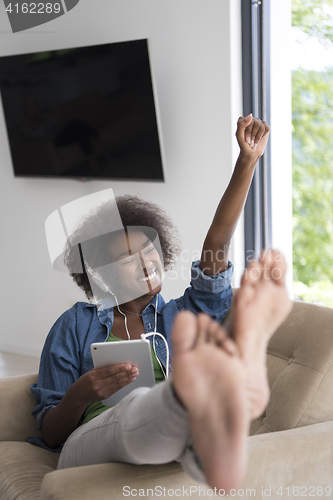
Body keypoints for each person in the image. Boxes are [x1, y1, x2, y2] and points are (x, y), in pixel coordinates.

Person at [29, 115, 289, 492]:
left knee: (174, 423)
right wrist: (82, 394)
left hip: (170, 438)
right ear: (102, 274)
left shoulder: (183, 315)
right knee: (137, 415)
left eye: (149, 249)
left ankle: (204, 415)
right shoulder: (74, 325)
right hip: (90, 442)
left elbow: (216, 244)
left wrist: (247, 161)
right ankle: (209, 393)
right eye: (126, 258)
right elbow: (51, 435)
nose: (146, 262)